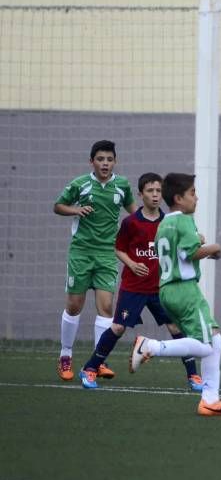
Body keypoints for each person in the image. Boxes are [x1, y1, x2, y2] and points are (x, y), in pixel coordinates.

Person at [77, 173, 202, 391]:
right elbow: (119, 248)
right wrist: (132, 264)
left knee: (176, 327)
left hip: (161, 288)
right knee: (117, 328)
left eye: (158, 191)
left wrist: (198, 239)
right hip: (134, 287)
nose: (155, 195)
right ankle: (90, 368)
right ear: (140, 194)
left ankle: (194, 376)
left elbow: (184, 245)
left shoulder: (169, 222)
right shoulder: (131, 223)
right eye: (150, 191)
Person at [128, 172, 221, 417]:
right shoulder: (185, 220)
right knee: (208, 344)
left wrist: (196, 240)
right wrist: (214, 248)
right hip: (185, 290)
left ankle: (209, 399)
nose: (196, 198)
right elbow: (190, 253)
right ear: (178, 198)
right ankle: (151, 346)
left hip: (167, 289)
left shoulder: (165, 223)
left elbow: (177, 248)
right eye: (192, 193)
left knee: (215, 340)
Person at [54, 140, 136, 381]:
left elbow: (135, 214)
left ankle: (99, 360)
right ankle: (65, 355)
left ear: (115, 162)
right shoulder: (80, 184)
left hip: (107, 254)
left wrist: (151, 227)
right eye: (100, 159)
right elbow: (58, 206)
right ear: (92, 161)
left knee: (107, 307)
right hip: (81, 253)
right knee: (74, 306)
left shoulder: (121, 186)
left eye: (109, 159)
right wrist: (75, 210)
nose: (105, 163)